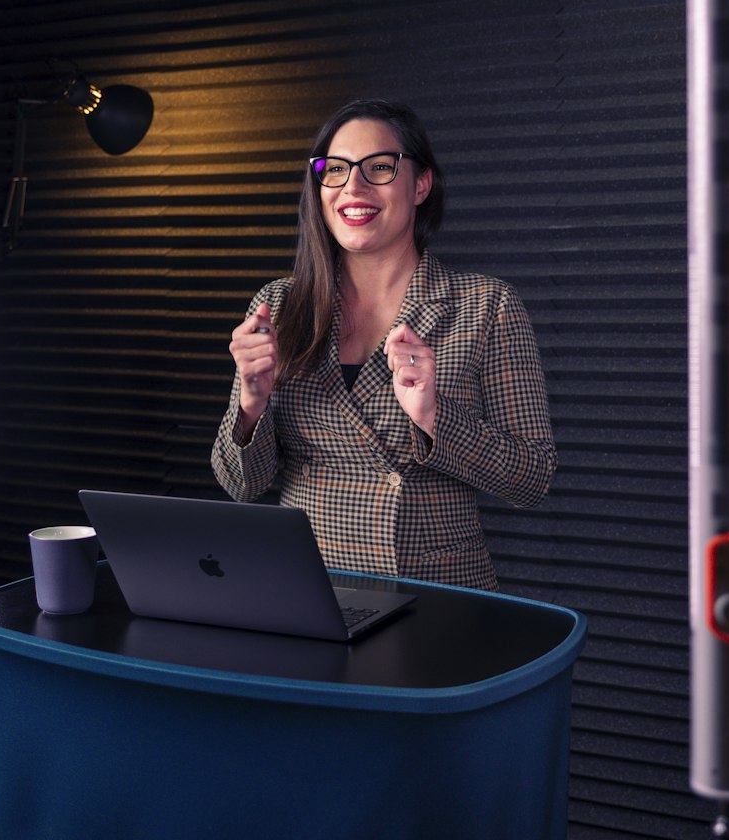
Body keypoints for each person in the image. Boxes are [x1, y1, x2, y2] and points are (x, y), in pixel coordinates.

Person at [210, 99, 555, 591]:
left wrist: (434, 415)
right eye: (336, 169)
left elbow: (532, 478)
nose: (353, 186)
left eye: (379, 167)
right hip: (306, 586)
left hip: (436, 596)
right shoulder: (279, 304)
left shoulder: (486, 305)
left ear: (420, 185)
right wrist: (251, 402)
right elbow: (242, 485)